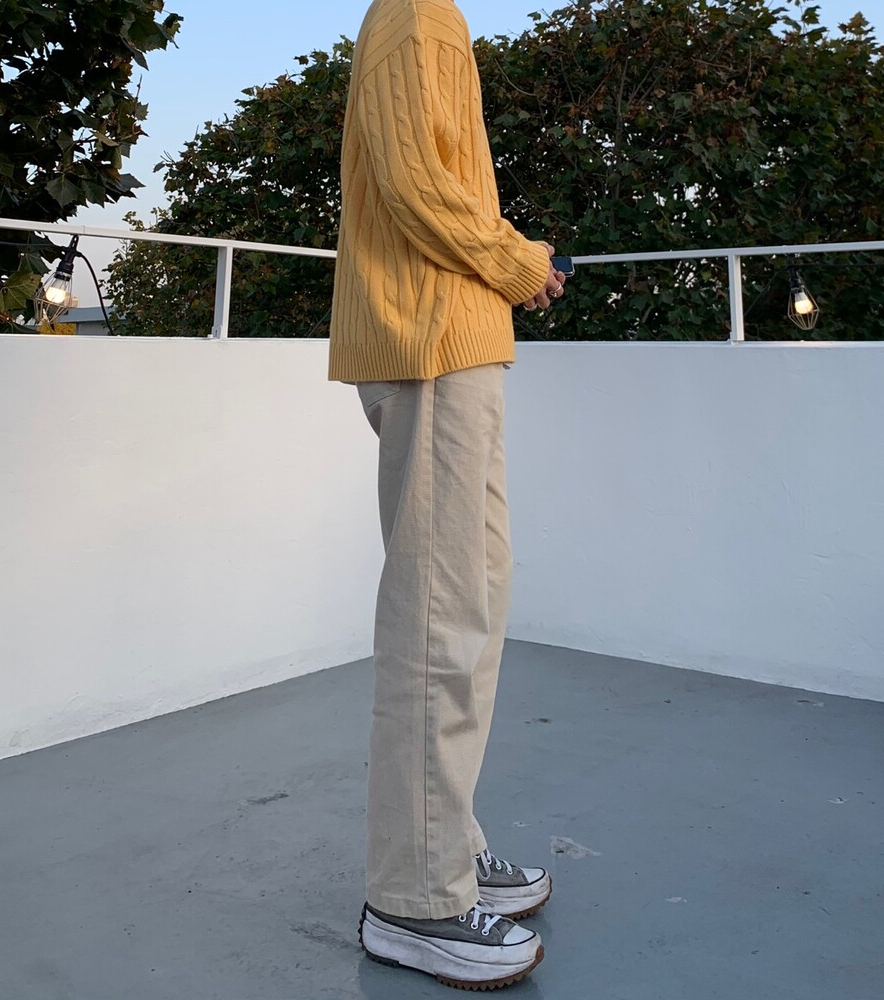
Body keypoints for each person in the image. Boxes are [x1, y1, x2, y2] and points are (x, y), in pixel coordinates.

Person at [329, 0, 567, 989]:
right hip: (430, 341)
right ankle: (414, 899)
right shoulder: (417, 13)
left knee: (469, 605)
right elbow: (415, 180)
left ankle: (447, 850)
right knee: (440, 618)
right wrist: (518, 261)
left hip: (452, 341)